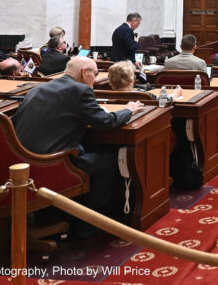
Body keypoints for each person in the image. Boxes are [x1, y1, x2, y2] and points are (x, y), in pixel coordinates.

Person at [15, 57, 143, 216]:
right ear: (84, 72)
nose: (96, 80)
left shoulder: (37, 89)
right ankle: (90, 221)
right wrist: (129, 110)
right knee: (109, 159)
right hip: (53, 162)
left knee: (87, 147)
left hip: (22, 159)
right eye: (95, 74)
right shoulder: (80, 91)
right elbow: (105, 122)